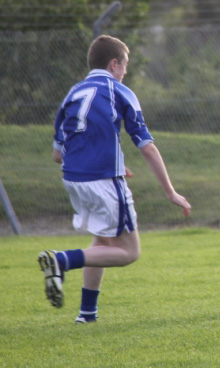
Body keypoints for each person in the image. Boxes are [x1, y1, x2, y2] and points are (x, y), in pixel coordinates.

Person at [38, 35, 191, 323]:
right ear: (113, 63)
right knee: (129, 252)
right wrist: (170, 192)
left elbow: (58, 155)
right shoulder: (119, 91)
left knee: (102, 241)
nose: (125, 72)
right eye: (125, 65)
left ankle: (87, 314)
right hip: (104, 181)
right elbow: (147, 146)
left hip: (73, 179)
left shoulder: (73, 93)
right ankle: (61, 260)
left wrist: (111, 162)